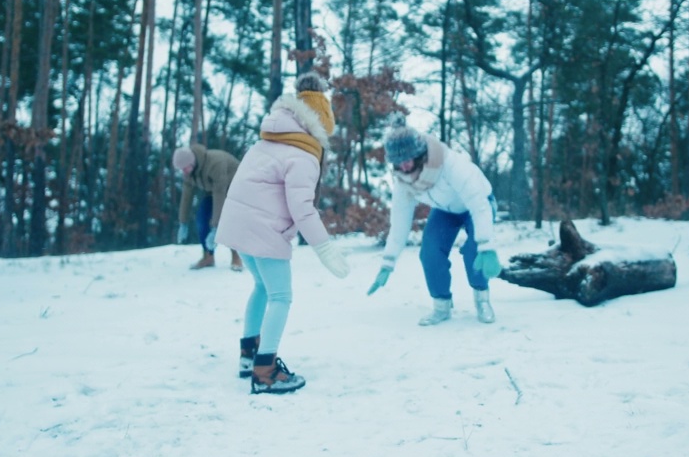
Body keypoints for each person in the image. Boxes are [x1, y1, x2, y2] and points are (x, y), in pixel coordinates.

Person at [216, 72, 350, 395]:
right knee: (280, 296)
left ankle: (249, 355)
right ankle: (265, 371)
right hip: (264, 231)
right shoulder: (303, 155)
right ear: (320, 125)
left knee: (262, 286)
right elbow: (302, 208)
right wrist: (325, 248)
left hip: (238, 227)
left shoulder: (267, 140)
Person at [367, 120, 501, 325]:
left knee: (475, 252)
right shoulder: (404, 182)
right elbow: (400, 223)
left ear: (419, 154)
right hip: (446, 211)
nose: (404, 166)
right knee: (429, 253)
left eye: (408, 159)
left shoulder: (450, 164)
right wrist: (388, 262)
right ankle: (441, 305)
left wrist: (487, 244)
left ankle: (482, 299)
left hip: (479, 203)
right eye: (398, 162)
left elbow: (478, 203)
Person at [173, 143, 241, 271]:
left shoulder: (215, 163)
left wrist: (215, 227)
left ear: (191, 163)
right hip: (215, 191)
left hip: (236, 189)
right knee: (201, 217)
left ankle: (236, 256)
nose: (183, 172)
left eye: (184, 168)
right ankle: (208, 256)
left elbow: (220, 194)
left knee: (230, 220)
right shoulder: (189, 172)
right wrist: (183, 222)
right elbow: (186, 196)